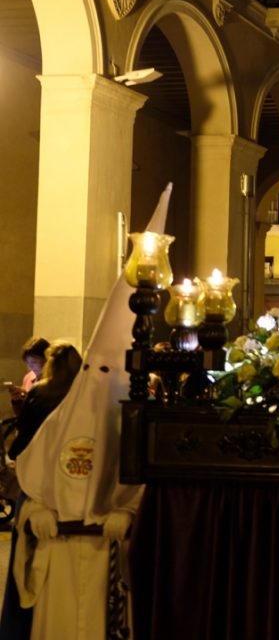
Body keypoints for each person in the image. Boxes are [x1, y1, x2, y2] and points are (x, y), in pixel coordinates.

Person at [12, 184, 171, 639]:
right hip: (58, 559)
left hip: (108, 558)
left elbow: (146, 492)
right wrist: (35, 515)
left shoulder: (131, 429)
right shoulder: (59, 423)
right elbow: (31, 485)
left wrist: (127, 516)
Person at [0, 341, 82, 640]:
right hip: (70, 488)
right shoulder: (83, 397)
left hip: (37, 483)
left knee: (25, 555)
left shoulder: (40, 393)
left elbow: (22, 443)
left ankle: (18, 626)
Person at [12, 338, 49, 416]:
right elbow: (21, 415)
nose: (30, 367)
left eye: (34, 362)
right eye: (27, 363)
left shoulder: (56, 380)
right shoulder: (29, 377)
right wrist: (17, 401)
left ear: (47, 359)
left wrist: (29, 398)